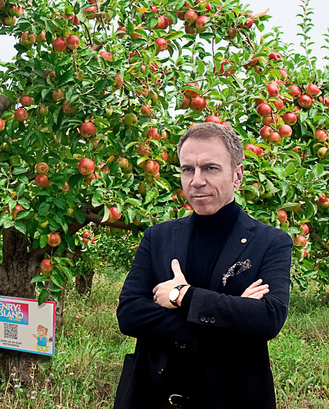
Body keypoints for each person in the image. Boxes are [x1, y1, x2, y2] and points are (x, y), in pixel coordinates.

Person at [114, 123, 292, 409]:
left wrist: (183, 296)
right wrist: (228, 318)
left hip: (233, 399)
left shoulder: (270, 242)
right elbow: (130, 314)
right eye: (187, 169)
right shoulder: (158, 237)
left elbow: (268, 318)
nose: (196, 180)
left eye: (210, 168)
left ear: (237, 175)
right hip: (154, 396)